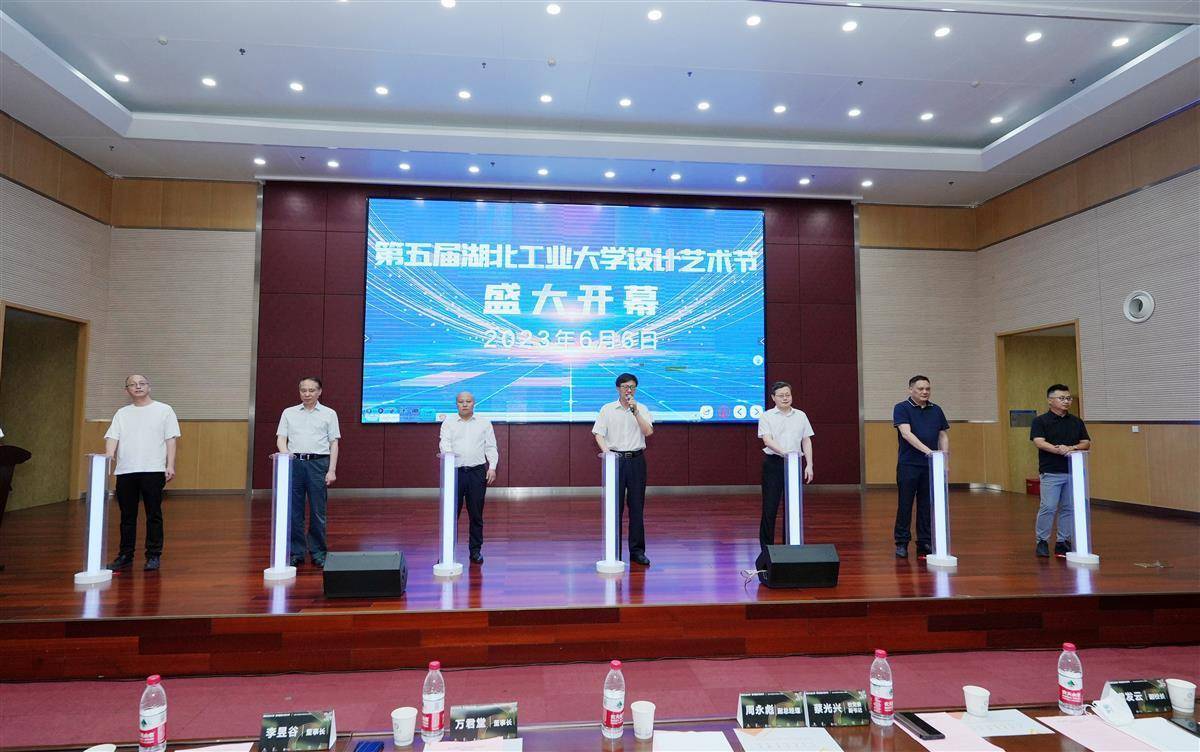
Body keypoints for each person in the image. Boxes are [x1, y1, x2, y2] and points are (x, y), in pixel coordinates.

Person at [104, 375, 181, 571]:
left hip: (153, 470)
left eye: (142, 383)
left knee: (153, 514)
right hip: (126, 471)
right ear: (127, 390)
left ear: (149, 387)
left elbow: (171, 440)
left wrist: (170, 465)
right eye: (133, 384)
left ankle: (153, 555)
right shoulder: (122, 413)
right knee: (127, 516)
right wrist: (109, 455)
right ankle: (125, 555)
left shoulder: (164, 410)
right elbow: (112, 437)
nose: (138, 387)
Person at [276, 376, 340, 568]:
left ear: (319, 392)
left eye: (311, 390)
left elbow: (334, 443)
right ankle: (296, 552)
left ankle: (318, 552)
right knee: (294, 512)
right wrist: (286, 455)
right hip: (295, 463)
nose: (307, 394)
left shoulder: (329, 414)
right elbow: (281, 439)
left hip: (318, 464)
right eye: (303, 390)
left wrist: (331, 470)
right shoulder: (288, 412)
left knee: (318, 511)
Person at [592, 372, 654, 566]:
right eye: (626, 387)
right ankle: (614, 552)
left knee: (636, 507)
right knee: (614, 508)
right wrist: (608, 454)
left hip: (636, 461)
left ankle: (637, 552)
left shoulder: (641, 408)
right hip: (615, 462)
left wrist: (636, 413)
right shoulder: (607, 409)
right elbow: (598, 434)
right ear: (618, 388)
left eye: (632, 387)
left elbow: (648, 432)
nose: (629, 390)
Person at [1029, 384, 1091, 557]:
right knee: (1048, 507)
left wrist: (1071, 448)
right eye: (1062, 398)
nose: (1066, 401)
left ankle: (1063, 541)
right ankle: (1042, 541)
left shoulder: (1076, 421)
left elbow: (1086, 442)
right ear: (1050, 400)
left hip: (1073, 471)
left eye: (1068, 398)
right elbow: (1039, 442)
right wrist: (1059, 450)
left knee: (1068, 507)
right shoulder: (1040, 421)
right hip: (1051, 471)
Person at [892, 375, 949, 558]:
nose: (925, 392)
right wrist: (929, 452)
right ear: (911, 390)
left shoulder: (936, 409)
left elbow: (942, 435)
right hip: (908, 465)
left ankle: (924, 542)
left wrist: (944, 459)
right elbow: (906, 434)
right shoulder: (901, 408)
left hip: (930, 466)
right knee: (905, 504)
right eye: (920, 389)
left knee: (926, 505)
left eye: (927, 389)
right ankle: (902, 542)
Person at [439, 391, 498, 564]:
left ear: (474, 403)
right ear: (456, 404)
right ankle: (447, 553)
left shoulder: (484, 423)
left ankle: (475, 551)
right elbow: (444, 444)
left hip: (477, 473)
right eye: (461, 401)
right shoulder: (448, 422)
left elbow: (491, 447)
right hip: (454, 473)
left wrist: (492, 467)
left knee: (476, 515)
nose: (464, 404)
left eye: (468, 401)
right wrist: (449, 460)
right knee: (451, 515)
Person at [757, 381, 814, 553]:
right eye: (781, 395)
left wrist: (809, 465)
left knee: (792, 508)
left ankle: (789, 549)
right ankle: (767, 550)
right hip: (774, 463)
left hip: (795, 464)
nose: (785, 398)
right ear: (773, 398)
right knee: (770, 507)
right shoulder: (766, 416)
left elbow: (806, 440)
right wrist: (785, 453)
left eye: (787, 395)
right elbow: (767, 440)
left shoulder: (801, 415)